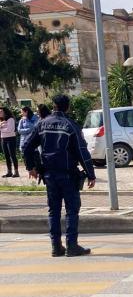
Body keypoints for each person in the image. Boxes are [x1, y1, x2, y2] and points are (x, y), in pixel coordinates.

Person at [21, 93, 96, 257]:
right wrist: (91, 174)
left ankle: (56, 246)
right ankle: (72, 246)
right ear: (68, 107)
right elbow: (82, 152)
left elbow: (26, 146)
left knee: (53, 211)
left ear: (53, 106)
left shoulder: (42, 124)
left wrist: (30, 167)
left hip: (48, 175)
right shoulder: (71, 125)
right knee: (71, 210)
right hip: (68, 175)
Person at [0, 107, 19, 178]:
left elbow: (10, 129)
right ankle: (9, 172)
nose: (0, 113)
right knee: (6, 156)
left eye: (1, 111)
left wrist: (1, 128)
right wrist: (2, 126)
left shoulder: (10, 119)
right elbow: (6, 129)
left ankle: (16, 172)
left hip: (11, 139)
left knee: (12, 155)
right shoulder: (1, 120)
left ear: (5, 112)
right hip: (3, 139)